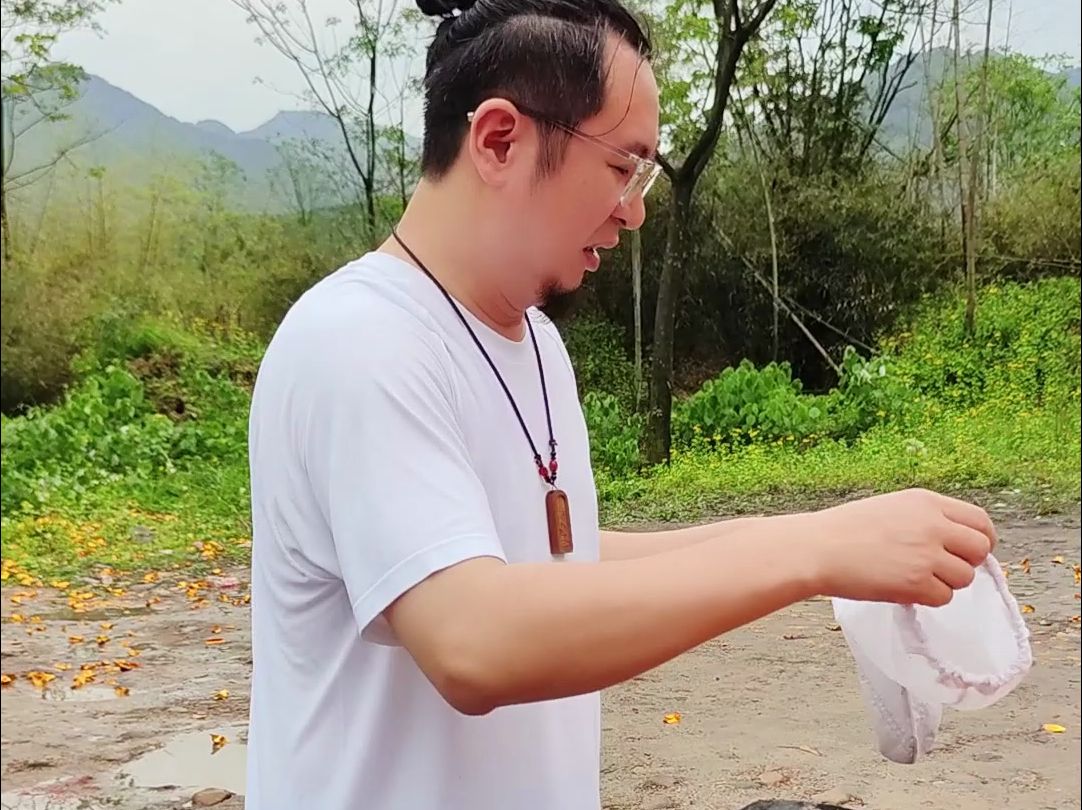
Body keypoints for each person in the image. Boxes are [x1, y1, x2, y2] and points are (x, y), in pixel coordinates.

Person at [243, 0, 998, 807]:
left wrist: (836, 537)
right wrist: (811, 549)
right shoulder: (361, 340)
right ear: (500, 140)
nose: (636, 209)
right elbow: (474, 639)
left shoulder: (533, 343)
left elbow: (564, 559)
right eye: (622, 168)